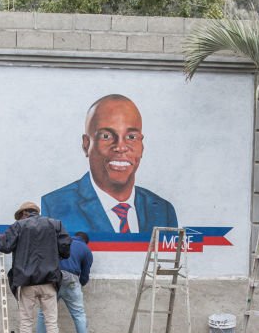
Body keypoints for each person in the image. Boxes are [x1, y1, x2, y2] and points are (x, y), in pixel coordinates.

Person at [41, 95, 177, 235]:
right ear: (86, 144)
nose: (120, 147)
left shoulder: (163, 211)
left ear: (142, 146)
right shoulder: (53, 207)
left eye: (131, 137)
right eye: (106, 136)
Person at [0, 201, 71, 333]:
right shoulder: (55, 224)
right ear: (36, 212)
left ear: (24, 213)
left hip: (26, 282)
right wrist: (54, 256)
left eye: (20, 215)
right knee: (51, 322)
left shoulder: (19, 226)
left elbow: (4, 246)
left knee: (26, 321)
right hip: (49, 281)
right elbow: (66, 247)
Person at [36, 231, 95, 333]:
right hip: (71, 280)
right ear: (85, 241)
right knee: (79, 315)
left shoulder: (59, 242)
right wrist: (80, 284)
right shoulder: (86, 250)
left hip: (52, 278)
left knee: (43, 313)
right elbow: (85, 275)